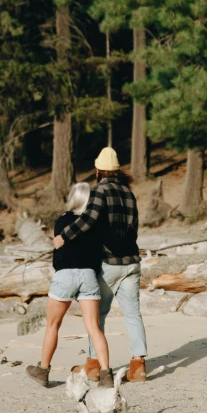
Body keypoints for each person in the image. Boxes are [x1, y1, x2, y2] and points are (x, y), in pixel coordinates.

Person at [53, 147, 147, 383]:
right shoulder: (129, 193)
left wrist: (64, 235)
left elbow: (88, 220)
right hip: (132, 262)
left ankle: (94, 365)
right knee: (133, 315)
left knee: (97, 317)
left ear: (98, 170)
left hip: (108, 264)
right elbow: (133, 228)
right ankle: (138, 365)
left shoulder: (100, 191)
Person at [26, 182, 114, 388]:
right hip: (89, 275)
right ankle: (106, 374)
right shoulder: (97, 223)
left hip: (65, 274)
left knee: (53, 325)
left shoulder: (62, 220)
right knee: (94, 327)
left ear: (73, 198)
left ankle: (43, 370)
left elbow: (60, 246)